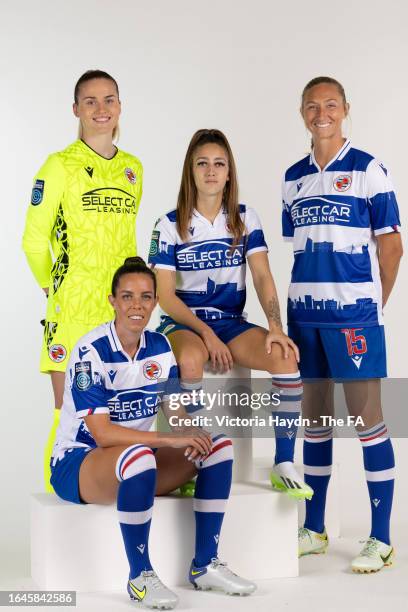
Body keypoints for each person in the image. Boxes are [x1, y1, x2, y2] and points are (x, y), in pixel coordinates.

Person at [50, 257, 256, 608]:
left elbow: (174, 412)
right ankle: (139, 577)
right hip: (79, 465)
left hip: (133, 462)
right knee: (140, 455)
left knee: (217, 446)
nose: (137, 305)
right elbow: (102, 434)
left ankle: (205, 564)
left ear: (155, 302)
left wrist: (193, 433)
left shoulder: (160, 347)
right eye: (127, 296)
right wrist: (167, 439)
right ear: (112, 300)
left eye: (146, 297)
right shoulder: (89, 352)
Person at [148, 128, 311, 499]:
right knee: (190, 359)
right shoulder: (168, 224)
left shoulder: (244, 217)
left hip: (232, 323)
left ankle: (284, 463)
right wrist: (206, 335)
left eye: (218, 164)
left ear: (228, 172)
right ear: (190, 170)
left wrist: (274, 326)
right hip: (184, 322)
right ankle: (197, 459)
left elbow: (262, 275)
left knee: (285, 357)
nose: (210, 171)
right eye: (202, 163)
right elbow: (166, 296)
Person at [282, 76, 402, 572]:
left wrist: (372, 307)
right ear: (302, 112)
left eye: (330, 104)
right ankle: (315, 528)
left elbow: (392, 248)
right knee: (315, 425)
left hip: (354, 319)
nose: (322, 113)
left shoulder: (370, 169)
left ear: (346, 109)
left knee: (368, 422)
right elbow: (296, 247)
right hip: (304, 318)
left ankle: (381, 538)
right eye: (313, 106)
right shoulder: (292, 176)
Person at [22, 70, 143, 492]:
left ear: (120, 107)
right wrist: (50, 285)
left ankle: (103, 500)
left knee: (117, 414)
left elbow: (128, 242)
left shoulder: (132, 169)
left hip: (120, 309)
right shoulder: (59, 166)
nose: (100, 109)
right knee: (69, 411)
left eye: (109, 99)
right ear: (76, 109)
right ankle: (61, 505)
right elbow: (34, 240)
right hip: (72, 311)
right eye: (90, 101)